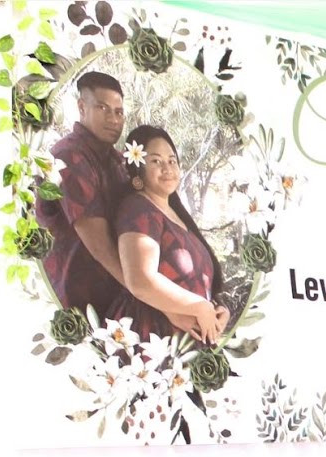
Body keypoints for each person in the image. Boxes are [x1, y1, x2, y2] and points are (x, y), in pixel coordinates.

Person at [108, 125, 228, 343]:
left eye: (172, 161)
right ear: (138, 169)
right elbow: (140, 281)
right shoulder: (138, 209)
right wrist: (199, 307)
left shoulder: (177, 216)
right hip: (151, 337)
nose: (167, 168)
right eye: (156, 161)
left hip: (187, 342)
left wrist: (218, 310)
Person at [35, 71, 129, 321]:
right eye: (103, 108)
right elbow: (100, 246)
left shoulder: (117, 161)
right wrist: (152, 297)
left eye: (119, 112)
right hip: (74, 306)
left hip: (114, 301)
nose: (113, 119)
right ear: (81, 107)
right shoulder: (68, 156)